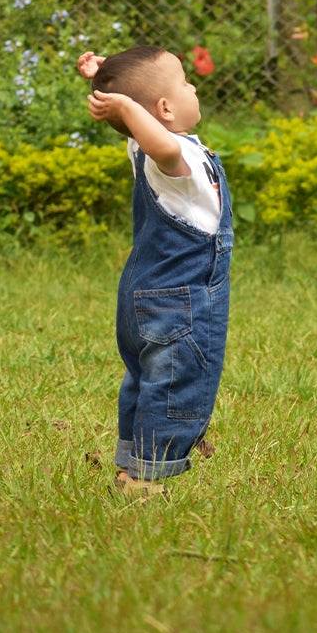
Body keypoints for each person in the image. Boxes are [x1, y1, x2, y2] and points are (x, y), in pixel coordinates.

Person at [77, 46, 232, 497]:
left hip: (145, 293)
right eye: (185, 82)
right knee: (174, 384)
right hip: (178, 299)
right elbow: (158, 139)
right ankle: (145, 478)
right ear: (164, 109)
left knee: (145, 379)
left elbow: (137, 117)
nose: (193, 86)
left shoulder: (140, 141)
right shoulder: (169, 156)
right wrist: (124, 101)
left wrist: (105, 78)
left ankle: (130, 467)